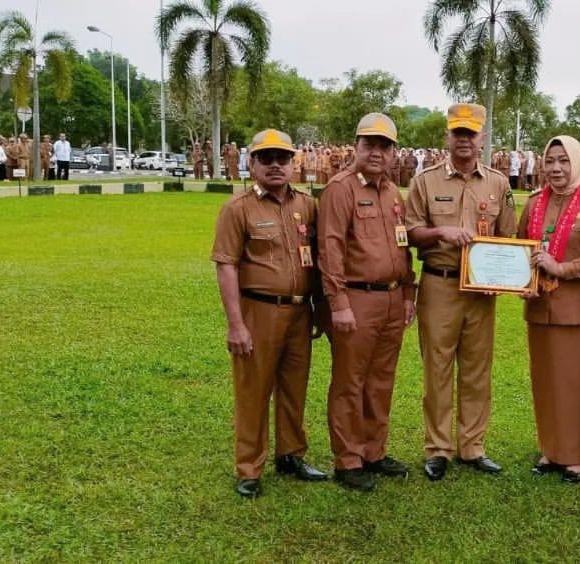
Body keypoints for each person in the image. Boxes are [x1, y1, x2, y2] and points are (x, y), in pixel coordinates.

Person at [210, 129, 329, 498]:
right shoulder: (238, 209)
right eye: (267, 158)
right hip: (258, 310)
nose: (275, 165)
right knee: (254, 391)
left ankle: (291, 455)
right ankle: (249, 467)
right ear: (252, 163)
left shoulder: (307, 205)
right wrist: (235, 324)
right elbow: (226, 266)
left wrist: (321, 310)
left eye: (282, 158)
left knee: (294, 388)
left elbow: (322, 261)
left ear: (293, 163)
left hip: (299, 313)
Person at [404, 103, 516, 481]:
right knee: (437, 368)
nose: (464, 139)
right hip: (440, 282)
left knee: (477, 370)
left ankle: (473, 446)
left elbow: (508, 238)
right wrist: (441, 233)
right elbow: (410, 233)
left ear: (482, 137)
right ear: (447, 136)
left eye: (471, 133)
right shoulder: (425, 181)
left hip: (481, 291)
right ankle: (437, 448)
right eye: (458, 132)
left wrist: (506, 275)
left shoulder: (498, 183)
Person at [318, 114, 416, 492]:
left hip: (392, 299)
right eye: (369, 144)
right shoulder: (340, 189)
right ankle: (348, 459)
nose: (377, 152)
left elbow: (403, 246)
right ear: (355, 147)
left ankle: (374, 452)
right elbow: (330, 249)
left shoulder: (393, 192)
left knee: (380, 381)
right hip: (356, 299)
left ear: (394, 152)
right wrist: (338, 302)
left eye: (384, 146)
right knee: (349, 382)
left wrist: (408, 293)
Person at [517, 135, 580, 483]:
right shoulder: (532, 203)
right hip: (539, 308)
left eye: (563, 160)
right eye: (550, 161)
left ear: (576, 162)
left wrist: (562, 268)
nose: (556, 168)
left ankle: (575, 454)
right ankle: (552, 448)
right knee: (545, 381)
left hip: (577, 311)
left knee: (575, 382)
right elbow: (520, 250)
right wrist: (521, 283)